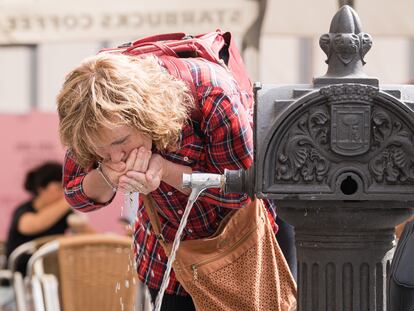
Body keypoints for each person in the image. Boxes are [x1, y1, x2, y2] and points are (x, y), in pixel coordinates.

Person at [57, 53, 278, 310]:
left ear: (145, 117)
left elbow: (244, 191)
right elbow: (75, 194)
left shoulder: (212, 93)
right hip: (167, 257)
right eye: (103, 152)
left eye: (120, 143)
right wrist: (107, 174)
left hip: (243, 248)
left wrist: (165, 170)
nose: (117, 157)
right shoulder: (88, 114)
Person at [5, 162, 91, 276]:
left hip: (51, 276)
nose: (62, 194)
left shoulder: (64, 213)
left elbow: (92, 236)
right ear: (41, 188)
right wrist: (72, 197)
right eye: (59, 188)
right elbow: (32, 225)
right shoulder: (24, 210)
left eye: (65, 189)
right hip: (20, 278)